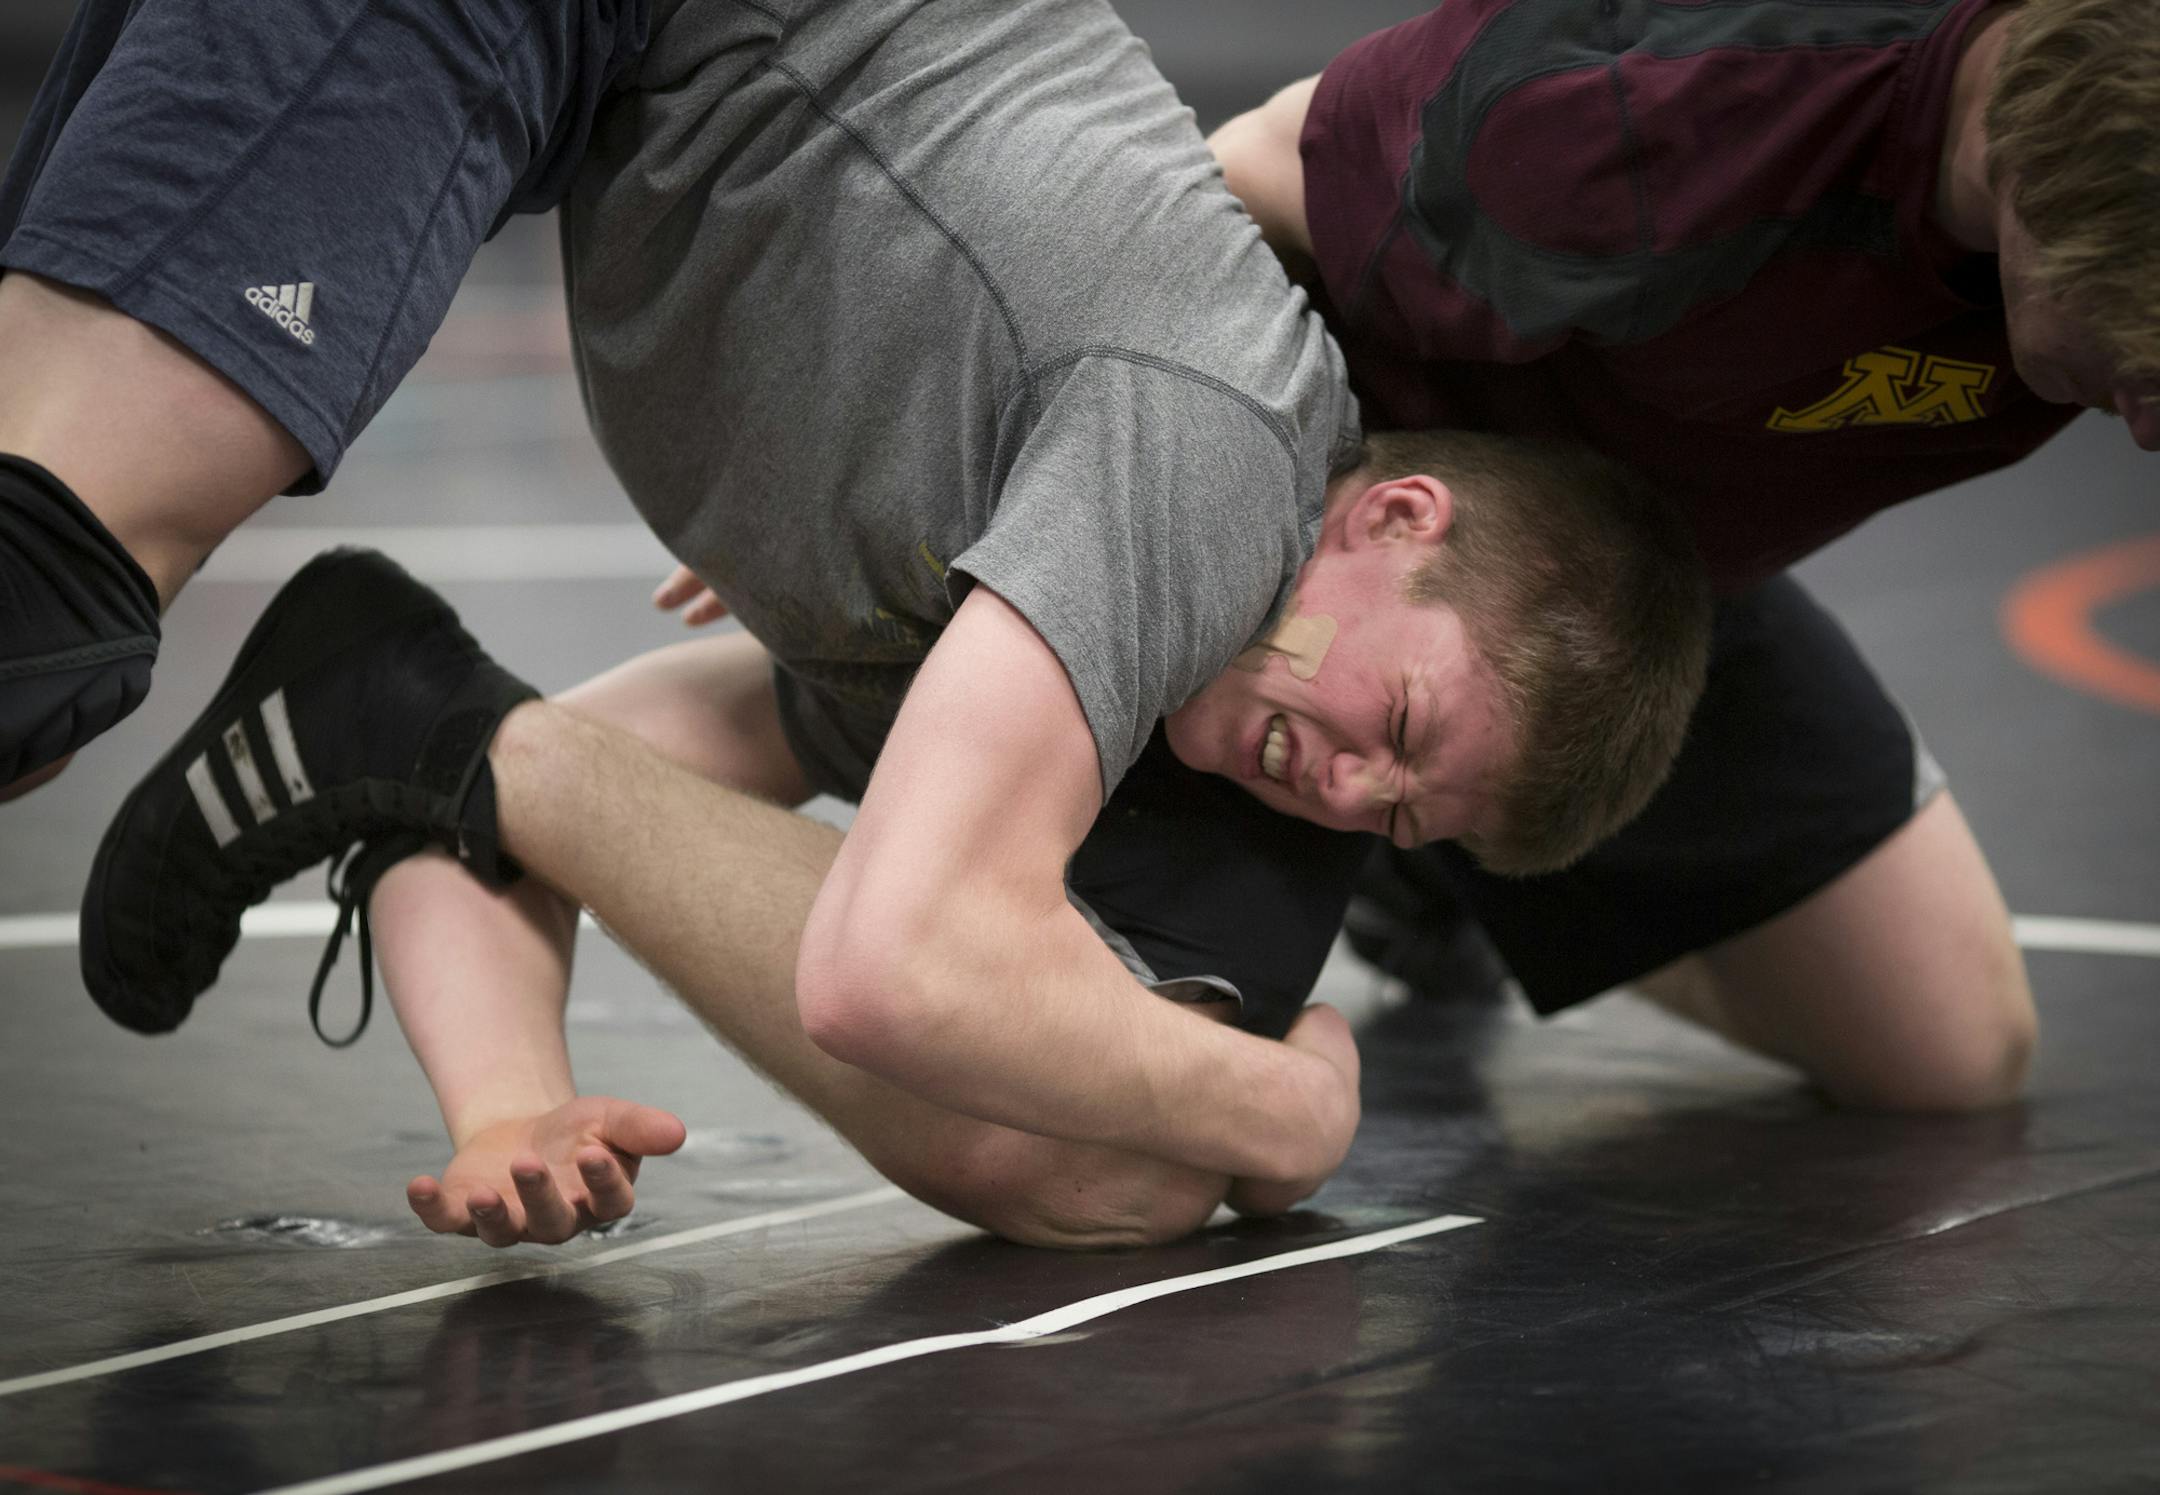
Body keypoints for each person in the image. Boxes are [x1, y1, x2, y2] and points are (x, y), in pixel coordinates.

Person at [50, 0, 1711, 1247]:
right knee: (33, 632)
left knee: (1118, 1172)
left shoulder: (1064, 606)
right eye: (1401, 735)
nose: (1350, 799)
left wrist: (509, 1097)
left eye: (1403, 816)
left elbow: (513, 785)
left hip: (600, 77)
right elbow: (887, 974)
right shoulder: (1219, 462)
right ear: (1394, 516)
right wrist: (1296, 1112)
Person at [1205, 0, 2159, 1113]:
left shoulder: (2086, 213)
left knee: (1948, 1048)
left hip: (1621, 575)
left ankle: (1438, 846)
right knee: (1127, 1142)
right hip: (1364, 558)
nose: (2143, 428)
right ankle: (1406, 768)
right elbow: (1244, 175)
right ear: (2032, 176)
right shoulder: (1645, 119)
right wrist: (1205, 563)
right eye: (2143, 371)